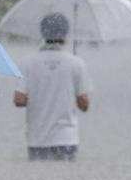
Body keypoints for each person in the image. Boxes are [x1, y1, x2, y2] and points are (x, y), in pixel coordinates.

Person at [13, 13, 92, 161]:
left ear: (42, 33)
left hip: (37, 139)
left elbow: (19, 100)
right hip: (67, 138)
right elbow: (84, 105)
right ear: (65, 35)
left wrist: (40, 94)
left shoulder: (27, 63)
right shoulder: (77, 63)